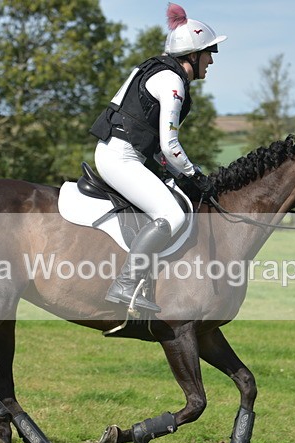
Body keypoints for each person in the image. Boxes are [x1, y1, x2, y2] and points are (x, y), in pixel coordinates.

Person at [89, 3, 226, 313]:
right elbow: (169, 143)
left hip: (126, 154)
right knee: (173, 215)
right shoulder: (172, 81)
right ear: (192, 55)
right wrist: (194, 175)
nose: (212, 60)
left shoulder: (161, 72)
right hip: (120, 157)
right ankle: (125, 283)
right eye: (209, 53)